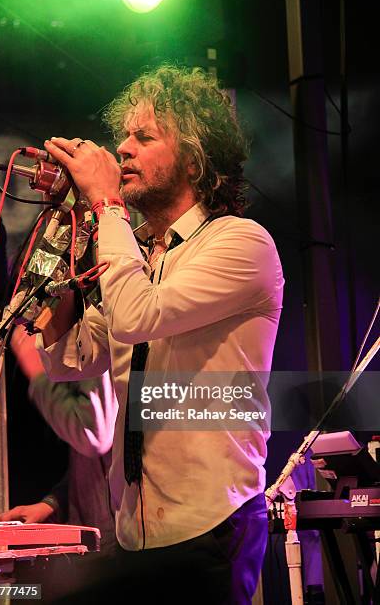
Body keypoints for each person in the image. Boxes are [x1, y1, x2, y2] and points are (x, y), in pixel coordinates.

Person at [37, 65, 284, 603]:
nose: (122, 149)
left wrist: (105, 205)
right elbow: (68, 359)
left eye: (144, 137)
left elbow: (135, 316)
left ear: (193, 160)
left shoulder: (242, 244)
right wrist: (74, 237)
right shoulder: (138, 255)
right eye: (123, 135)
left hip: (210, 523)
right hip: (135, 527)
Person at [1, 326, 118, 557]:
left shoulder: (97, 326)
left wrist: (38, 374)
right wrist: (53, 503)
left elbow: (93, 435)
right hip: (103, 547)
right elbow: (98, 463)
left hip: (124, 553)